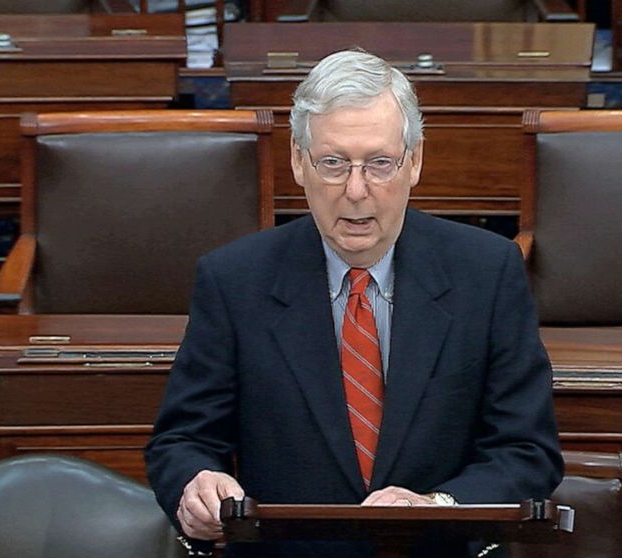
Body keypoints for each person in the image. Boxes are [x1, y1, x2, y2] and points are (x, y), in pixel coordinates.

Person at [145, 48, 563, 557]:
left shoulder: (487, 272)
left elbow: (527, 451)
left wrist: (439, 505)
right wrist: (197, 486)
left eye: (380, 163)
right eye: (333, 163)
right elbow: (182, 441)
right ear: (299, 162)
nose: (356, 190)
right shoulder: (235, 279)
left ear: (415, 162)